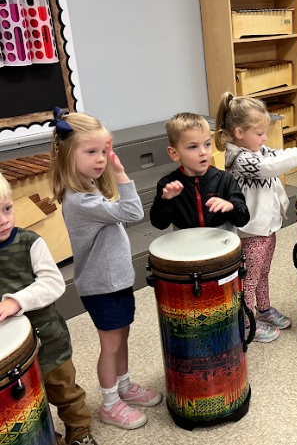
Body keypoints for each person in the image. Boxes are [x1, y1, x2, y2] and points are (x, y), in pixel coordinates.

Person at [49, 107, 162, 431]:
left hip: (113, 281)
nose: (101, 158)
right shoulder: (81, 201)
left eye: (103, 151)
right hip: (102, 287)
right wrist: (120, 171)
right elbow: (132, 209)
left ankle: (123, 387)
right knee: (110, 344)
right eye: (91, 152)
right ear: (69, 155)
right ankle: (110, 404)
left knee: (121, 337)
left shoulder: (89, 189)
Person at [215, 92, 297, 342]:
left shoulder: (256, 148)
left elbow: (276, 156)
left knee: (263, 272)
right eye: (259, 133)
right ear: (238, 133)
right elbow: (269, 167)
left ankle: (263, 309)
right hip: (250, 231)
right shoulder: (238, 158)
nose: (265, 138)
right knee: (249, 280)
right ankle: (246, 323)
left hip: (266, 227)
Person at [0, 173, 99, 445]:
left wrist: (16, 301)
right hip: (11, 357)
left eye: (7, 208)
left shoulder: (29, 243)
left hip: (49, 342)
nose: (3, 219)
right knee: (24, 404)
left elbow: (53, 284)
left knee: (65, 392)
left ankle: (80, 431)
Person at [150, 112, 250, 232]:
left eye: (207, 144)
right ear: (174, 154)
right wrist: (166, 200)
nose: (203, 152)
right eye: (193, 147)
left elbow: (243, 219)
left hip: (220, 246)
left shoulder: (225, 180)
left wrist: (231, 207)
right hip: (188, 247)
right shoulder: (168, 184)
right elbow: (159, 224)